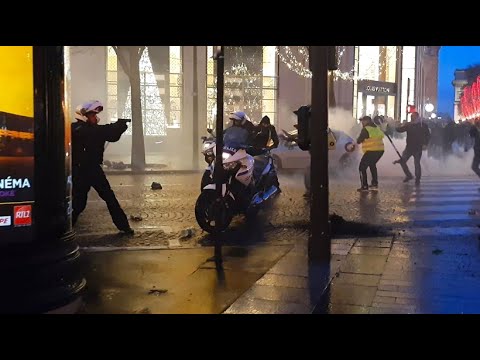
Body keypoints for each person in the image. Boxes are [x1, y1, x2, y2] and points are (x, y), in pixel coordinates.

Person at [71, 100, 134, 235]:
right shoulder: (82, 130)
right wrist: (119, 125)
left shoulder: (77, 128)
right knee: (103, 199)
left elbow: (108, 134)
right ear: (84, 116)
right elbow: (106, 132)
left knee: (80, 202)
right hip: (89, 170)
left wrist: (119, 126)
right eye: (93, 115)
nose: (96, 118)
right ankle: (123, 226)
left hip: (84, 169)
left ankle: (68, 226)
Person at [395, 112, 431, 185]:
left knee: (416, 163)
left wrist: (425, 144)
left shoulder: (422, 125)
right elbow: (400, 130)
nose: (412, 117)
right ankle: (409, 175)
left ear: (417, 117)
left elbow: (428, 135)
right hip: (409, 147)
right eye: (411, 116)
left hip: (418, 147)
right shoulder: (409, 125)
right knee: (402, 161)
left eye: (413, 116)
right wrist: (397, 126)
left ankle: (417, 179)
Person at [356, 115, 385, 192]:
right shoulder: (376, 128)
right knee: (372, 164)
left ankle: (364, 186)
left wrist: (356, 141)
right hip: (380, 150)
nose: (362, 122)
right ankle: (374, 183)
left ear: (367, 121)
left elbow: (359, 140)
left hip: (372, 150)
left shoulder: (366, 129)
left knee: (362, 167)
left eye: (363, 121)